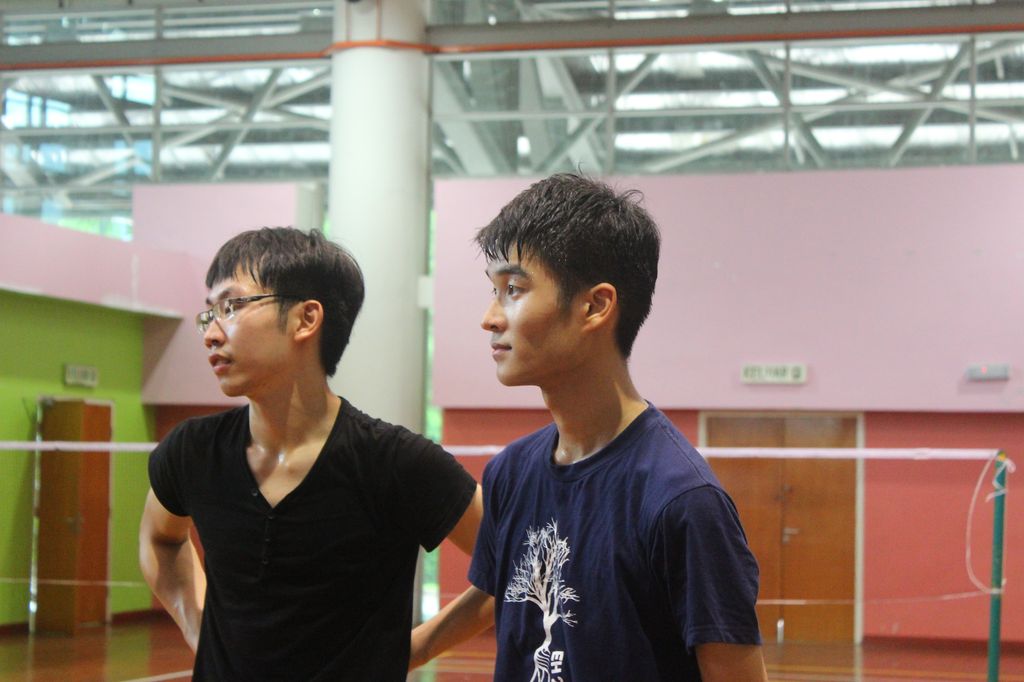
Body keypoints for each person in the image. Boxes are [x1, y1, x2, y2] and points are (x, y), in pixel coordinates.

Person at [410, 174, 766, 680]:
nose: (490, 318)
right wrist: (408, 650)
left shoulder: (682, 501)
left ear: (595, 306)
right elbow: (499, 590)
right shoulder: (510, 472)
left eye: (514, 290)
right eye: (495, 290)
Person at [138, 227, 481, 681]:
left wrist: (416, 647)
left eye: (231, 306)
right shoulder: (192, 452)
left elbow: (519, 562)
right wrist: (197, 625)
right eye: (210, 313)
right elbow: (160, 539)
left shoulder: (397, 462)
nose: (210, 334)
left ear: (306, 318)